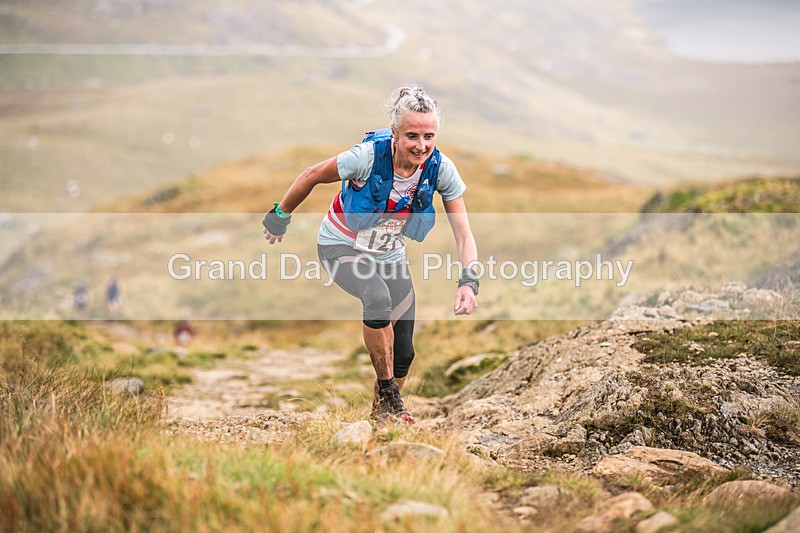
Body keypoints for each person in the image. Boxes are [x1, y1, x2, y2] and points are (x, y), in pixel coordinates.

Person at [262, 85, 479, 424]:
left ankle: (382, 418)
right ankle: (392, 395)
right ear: (395, 134)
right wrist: (280, 216)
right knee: (376, 298)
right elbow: (312, 175)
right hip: (340, 246)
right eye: (411, 136)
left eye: (429, 136)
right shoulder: (365, 157)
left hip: (389, 256)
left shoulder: (440, 168)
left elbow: (463, 232)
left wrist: (469, 281)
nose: (420, 146)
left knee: (405, 352)